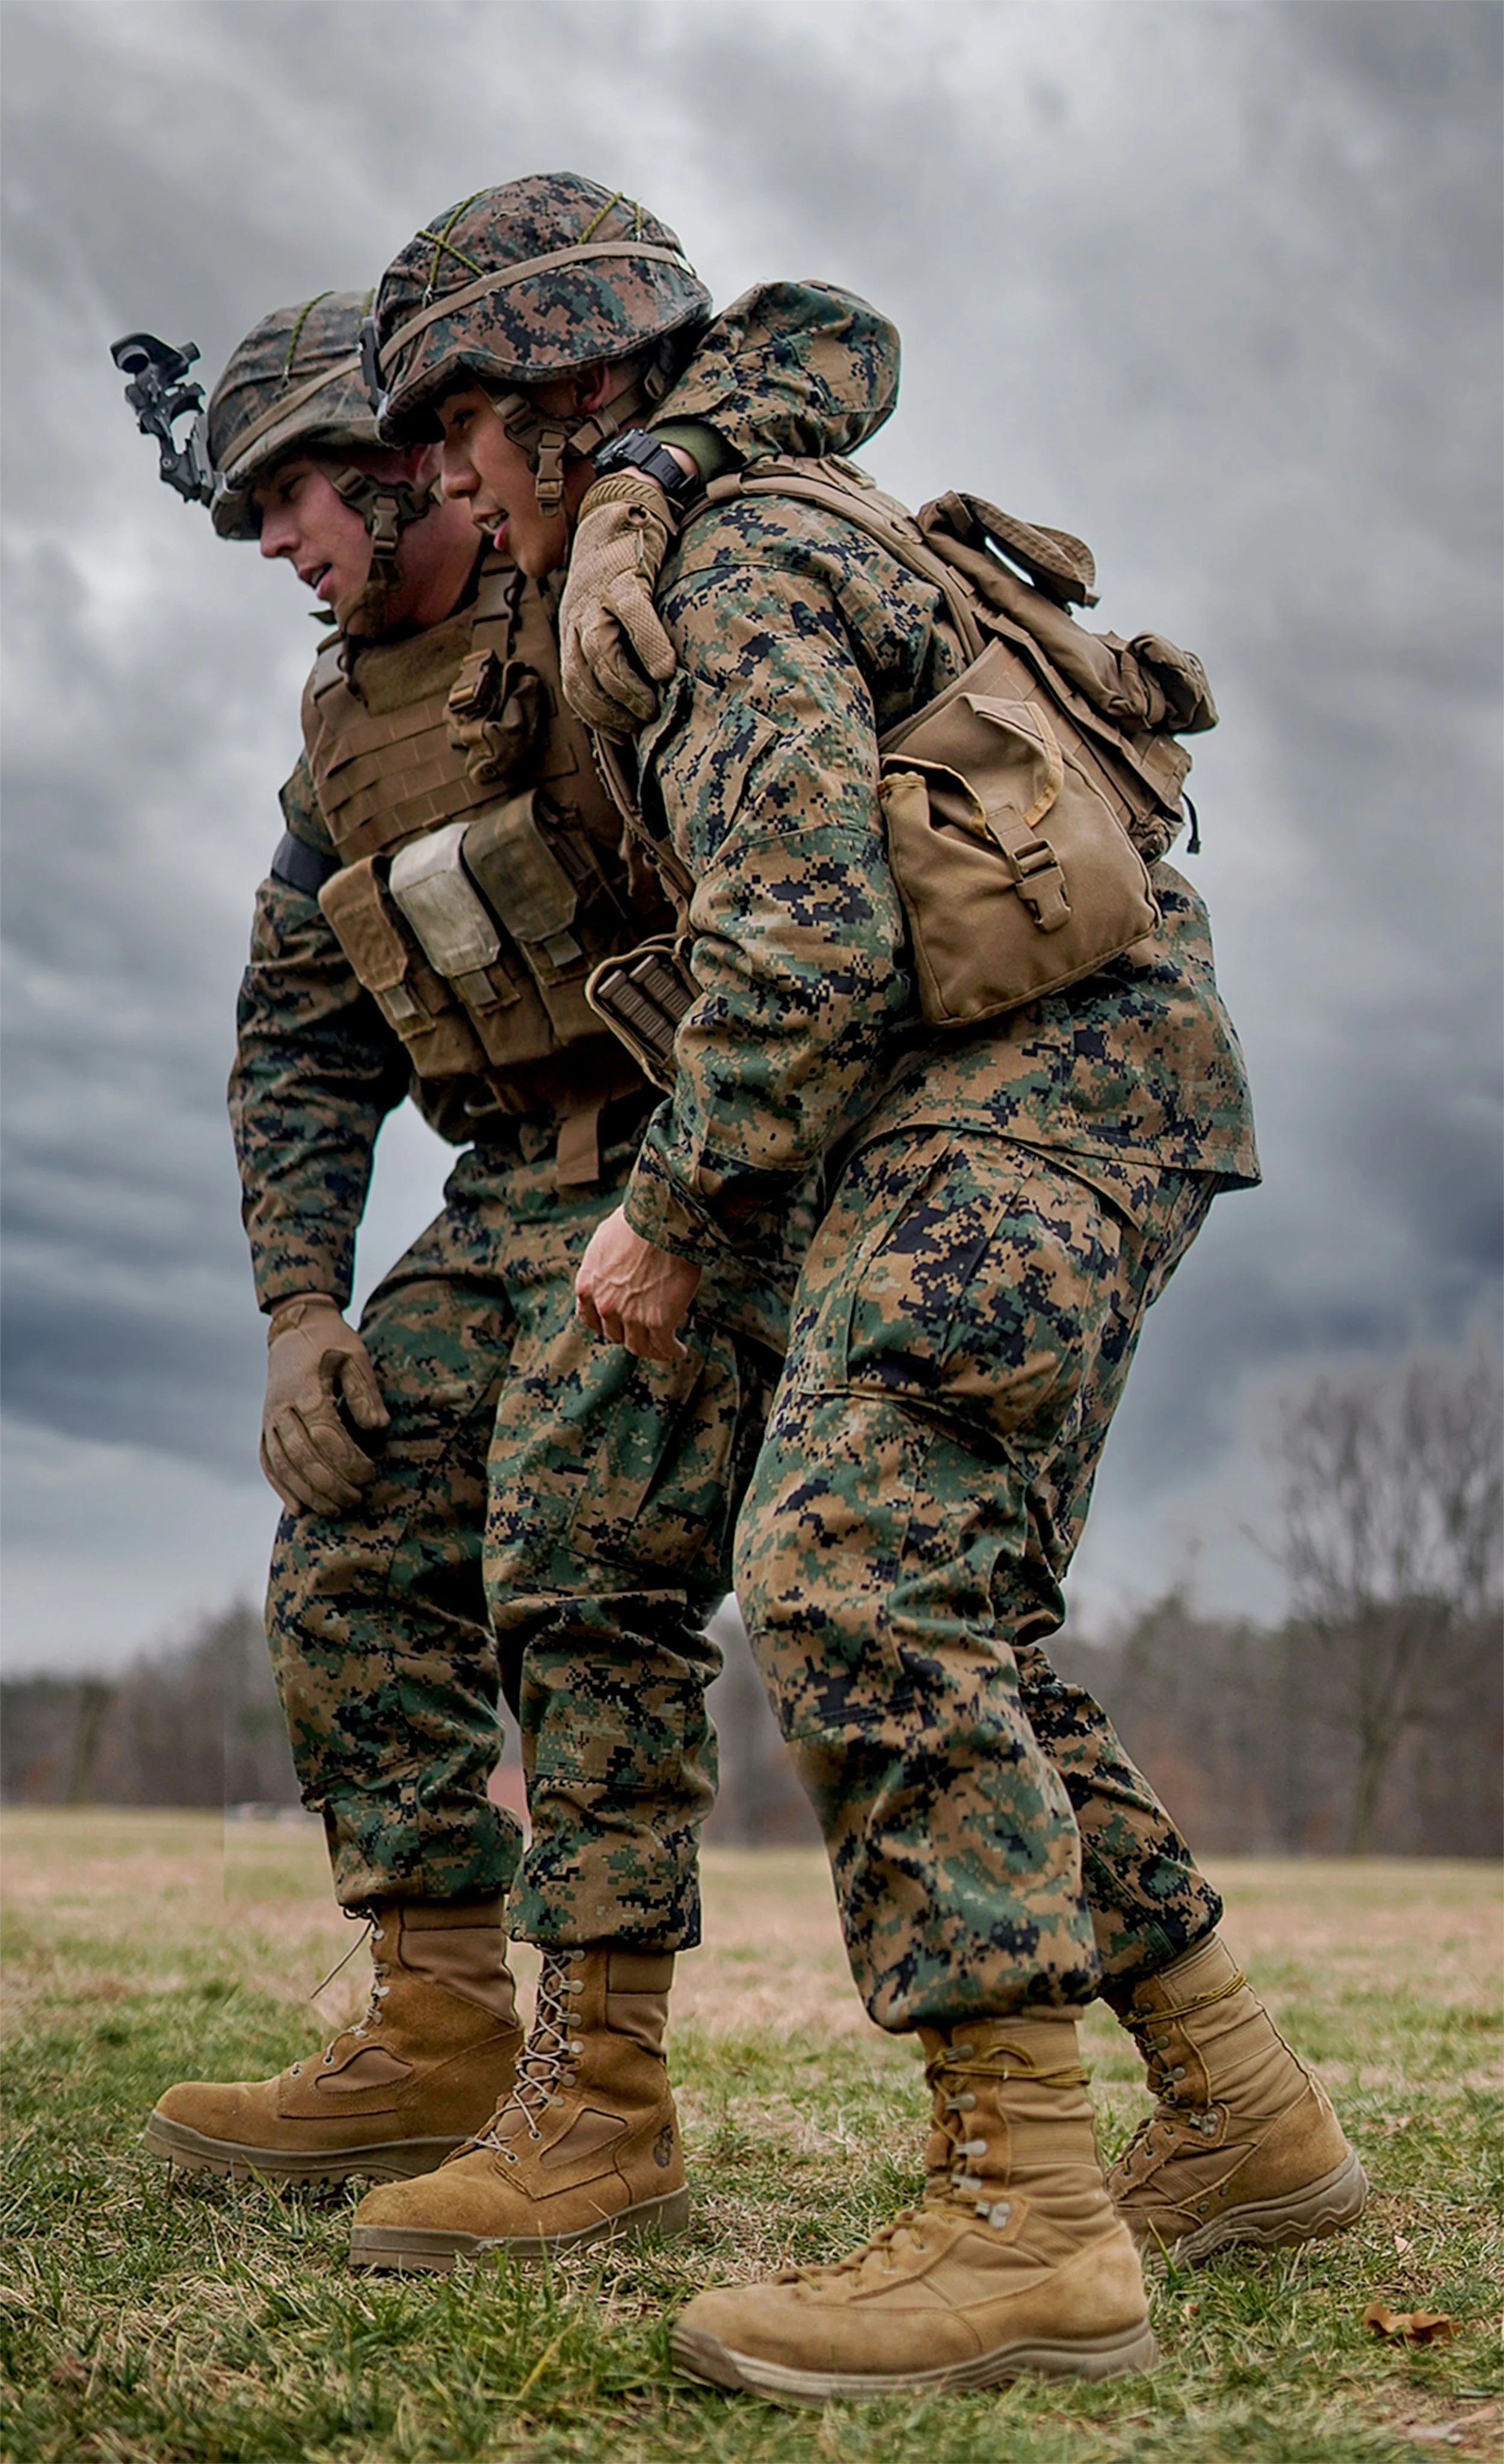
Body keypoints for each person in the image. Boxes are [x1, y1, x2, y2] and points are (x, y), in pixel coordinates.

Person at [345, 175, 1369, 2390]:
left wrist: (670, 1209)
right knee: (950, 1595)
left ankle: (1023, 2214)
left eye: (460, 441)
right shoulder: (720, 515)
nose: (447, 489)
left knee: (844, 1563)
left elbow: (802, 941)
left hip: (1032, 1104)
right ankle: (1240, 2108)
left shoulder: (720, 564)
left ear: (564, 397)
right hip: (1070, 1095)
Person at [122, 231, 901, 2234]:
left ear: (400, 452)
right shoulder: (338, 745)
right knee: (357, 1520)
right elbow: (298, 1039)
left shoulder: (603, 561)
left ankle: (602, 2090)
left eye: (296, 485)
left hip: (718, 1135)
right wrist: (304, 1313)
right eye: (252, 516)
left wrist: (637, 494)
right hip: (513, 1184)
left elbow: (826, 337)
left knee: (576, 1540)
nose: (282, 537)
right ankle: (436, 2022)